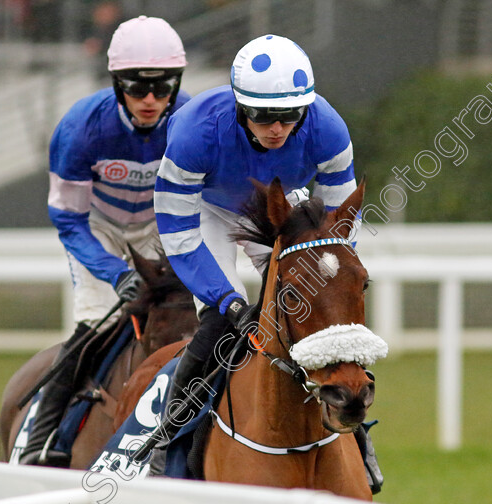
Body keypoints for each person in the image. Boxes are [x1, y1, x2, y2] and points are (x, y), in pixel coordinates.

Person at [151, 34, 382, 489]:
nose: (276, 128)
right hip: (208, 211)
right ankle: (168, 442)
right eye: (262, 116)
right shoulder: (195, 131)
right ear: (241, 107)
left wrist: (321, 286)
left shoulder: (328, 128)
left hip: (282, 208)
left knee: (322, 316)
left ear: (306, 109)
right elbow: (178, 236)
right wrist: (229, 302)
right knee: (221, 323)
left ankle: (359, 440)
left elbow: (339, 233)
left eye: (288, 116)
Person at [19, 15, 190, 467]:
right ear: (116, 83)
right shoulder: (81, 128)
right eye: (137, 88)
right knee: (95, 323)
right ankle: (39, 441)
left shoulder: (191, 122)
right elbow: (70, 221)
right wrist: (117, 275)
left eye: (163, 87)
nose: (151, 100)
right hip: (99, 230)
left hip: (161, 227)